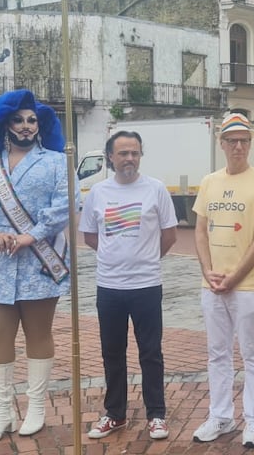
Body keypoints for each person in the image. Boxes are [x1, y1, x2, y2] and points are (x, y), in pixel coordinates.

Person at [0, 88, 70, 444]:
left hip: (39, 261)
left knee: (39, 335)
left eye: (32, 120)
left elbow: (65, 205)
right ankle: (2, 412)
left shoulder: (56, 162)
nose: (25, 125)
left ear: (40, 125)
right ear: (5, 124)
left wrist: (31, 236)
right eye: (18, 119)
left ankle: (36, 408)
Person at [80, 131, 177, 441]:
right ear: (110, 157)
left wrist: (145, 259)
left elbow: (169, 235)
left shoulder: (156, 189)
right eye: (123, 153)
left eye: (134, 153)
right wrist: (115, 258)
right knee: (112, 352)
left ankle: (156, 415)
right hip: (109, 287)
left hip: (146, 285)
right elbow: (90, 236)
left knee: (151, 353)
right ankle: (115, 414)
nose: (129, 159)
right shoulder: (98, 192)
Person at [192, 112, 254, 447]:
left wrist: (235, 276)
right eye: (232, 141)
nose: (239, 146)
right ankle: (221, 416)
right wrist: (207, 270)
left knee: (252, 353)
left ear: (250, 144)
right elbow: (200, 230)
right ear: (221, 144)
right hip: (212, 285)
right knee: (217, 353)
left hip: (247, 285)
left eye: (244, 140)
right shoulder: (209, 181)